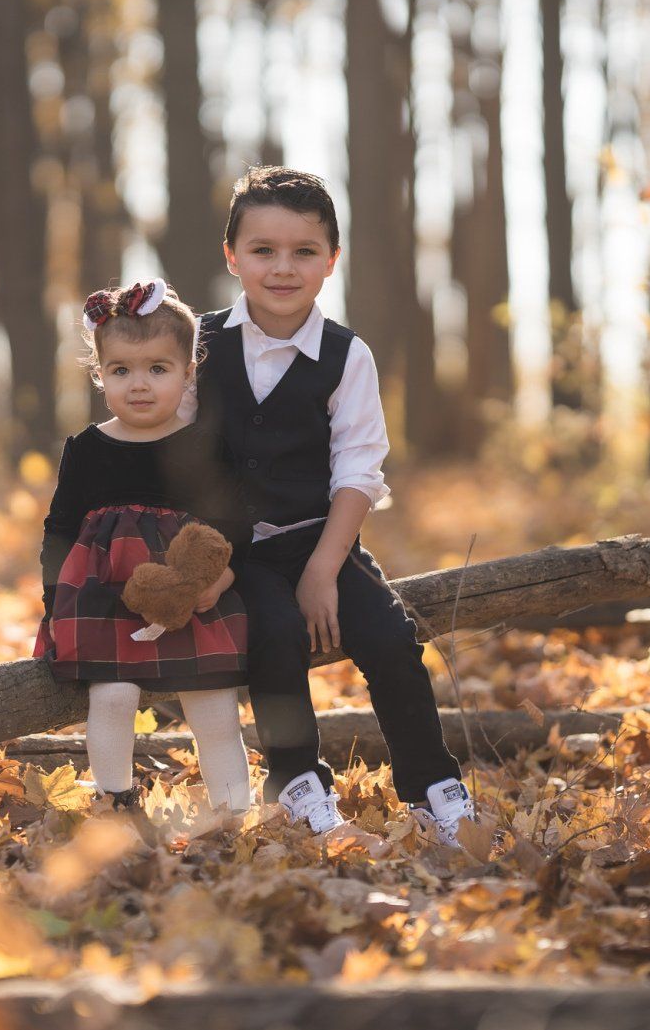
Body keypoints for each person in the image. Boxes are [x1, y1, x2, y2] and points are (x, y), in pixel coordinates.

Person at [182, 165, 479, 845]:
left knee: (389, 636)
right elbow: (174, 455)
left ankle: (434, 789)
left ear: (331, 261)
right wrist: (204, 562)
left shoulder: (347, 356)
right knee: (276, 635)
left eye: (304, 252)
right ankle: (298, 786)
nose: (283, 268)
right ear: (232, 256)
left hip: (324, 537)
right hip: (237, 553)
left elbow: (358, 469)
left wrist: (323, 571)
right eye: (263, 250)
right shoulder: (197, 346)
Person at [32, 280, 253, 814]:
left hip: (192, 597)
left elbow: (235, 526)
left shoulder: (203, 445)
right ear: (99, 374)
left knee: (215, 708)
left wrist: (219, 581)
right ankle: (116, 804)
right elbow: (59, 530)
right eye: (121, 370)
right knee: (112, 698)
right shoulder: (86, 449)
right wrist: (53, 603)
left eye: (158, 369)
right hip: (106, 598)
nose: (139, 384)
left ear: (187, 373)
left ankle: (232, 813)